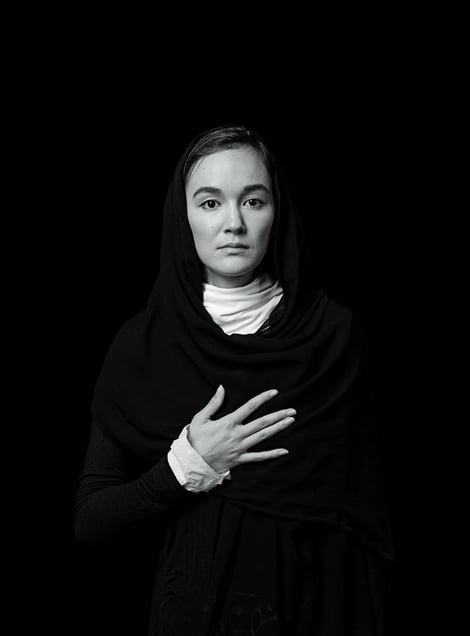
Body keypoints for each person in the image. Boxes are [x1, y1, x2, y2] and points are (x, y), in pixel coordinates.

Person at [74, 124, 396, 635]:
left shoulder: (332, 337)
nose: (234, 223)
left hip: (319, 608)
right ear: (183, 216)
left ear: (276, 210)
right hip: (194, 614)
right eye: (210, 203)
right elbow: (92, 522)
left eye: (252, 201)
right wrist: (187, 465)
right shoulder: (143, 346)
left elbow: (364, 519)